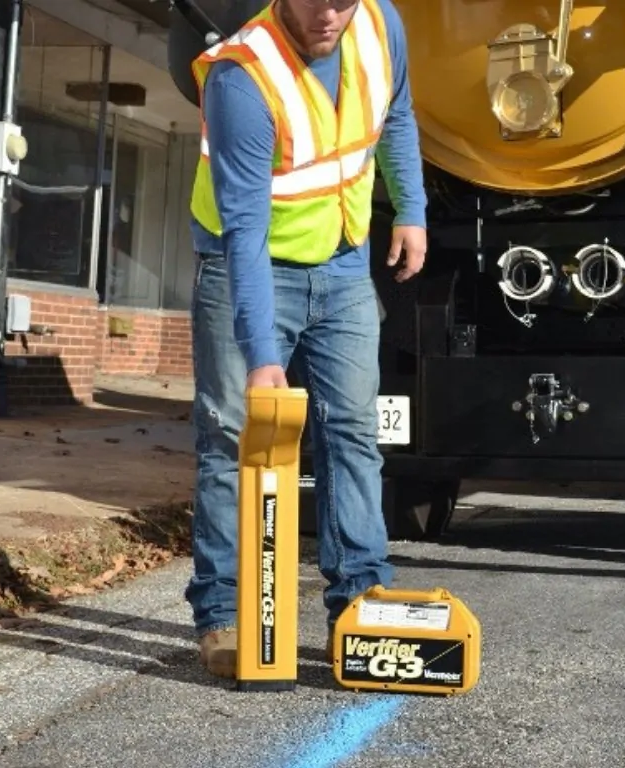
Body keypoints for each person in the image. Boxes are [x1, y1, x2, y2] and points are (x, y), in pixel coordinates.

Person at [184, 0, 427, 678]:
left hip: (345, 261)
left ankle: (360, 604)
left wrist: (411, 209)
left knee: (352, 431)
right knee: (233, 437)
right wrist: (263, 355)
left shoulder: (380, 26)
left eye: (342, 1)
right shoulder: (242, 79)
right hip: (249, 269)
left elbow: (396, 114)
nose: (329, 14)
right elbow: (244, 233)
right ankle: (225, 615)